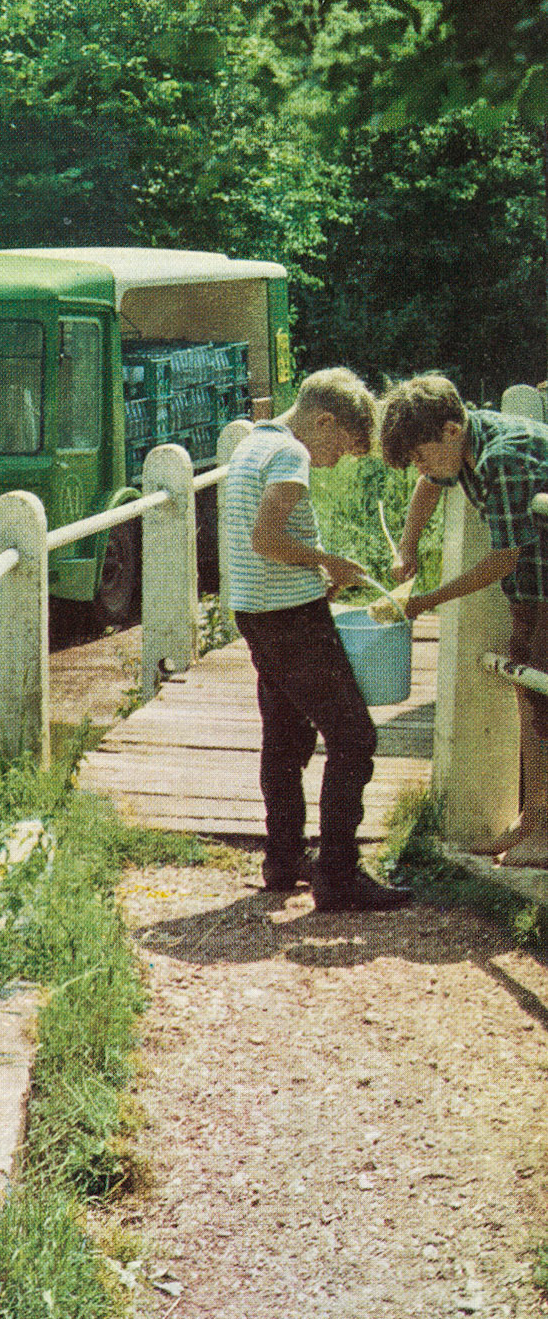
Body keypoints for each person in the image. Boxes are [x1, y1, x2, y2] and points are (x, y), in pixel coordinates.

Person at [220, 367, 411, 912]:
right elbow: (266, 537)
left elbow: (255, 544)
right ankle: (338, 875)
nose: (341, 459)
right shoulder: (292, 455)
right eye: (346, 445)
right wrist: (328, 561)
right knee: (354, 739)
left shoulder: (253, 444)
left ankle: (283, 861)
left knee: (285, 740)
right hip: (290, 620)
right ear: (323, 421)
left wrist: (314, 579)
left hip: (258, 614)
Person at [379, 374, 548, 865]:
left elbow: (503, 559)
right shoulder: (464, 446)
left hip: (537, 583)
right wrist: (407, 546)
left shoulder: (503, 459)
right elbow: (429, 485)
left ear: (452, 431)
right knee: (531, 701)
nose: (423, 465)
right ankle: (532, 820)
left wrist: (425, 600)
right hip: (532, 592)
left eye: (423, 452)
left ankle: (546, 834)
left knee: (544, 701)